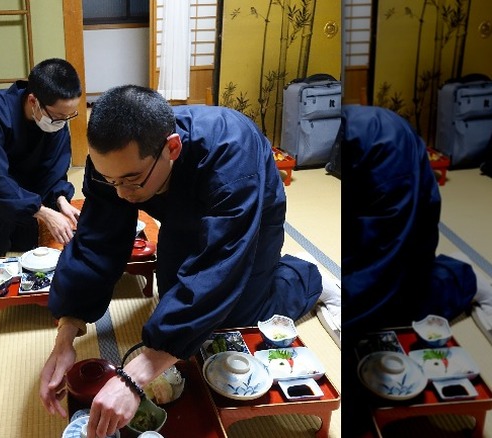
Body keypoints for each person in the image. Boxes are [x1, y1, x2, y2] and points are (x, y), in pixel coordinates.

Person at [39, 85, 340, 438]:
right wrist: (66, 335)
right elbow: (96, 241)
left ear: (172, 148)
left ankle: (307, 275)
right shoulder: (117, 162)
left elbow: (224, 261)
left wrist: (135, 377)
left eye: (130, 180)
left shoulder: (233, 153)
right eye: (110, 180)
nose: (120, 192)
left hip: (249, 206)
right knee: (175, 297)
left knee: (235, 314)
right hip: (177, 203)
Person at [340, 104, 492, 435]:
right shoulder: (348, 132)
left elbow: (388, 258)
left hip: (401, 252)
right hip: (370, 222)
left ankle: (464, 276)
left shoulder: (388, 148)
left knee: (389, 314)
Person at [0, 58, 83, 257]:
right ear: (33, 101)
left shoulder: (56, 118)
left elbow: (53, 167)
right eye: (59, 115)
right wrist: (43, 211)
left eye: (69, 115)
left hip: (26, 160)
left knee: (26, 240)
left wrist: (60, 200)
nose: (63, 121)